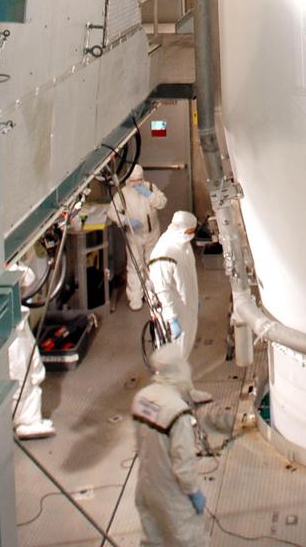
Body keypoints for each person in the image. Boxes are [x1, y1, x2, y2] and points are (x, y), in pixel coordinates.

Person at [132, 343, 207, 546]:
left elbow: (139, 444)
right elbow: (183, 464)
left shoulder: (142, 398)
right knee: (189, 539)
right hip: (171, 494)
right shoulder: (177, 411)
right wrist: (193, 492)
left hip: (146, 486)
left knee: (153, 540)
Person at [148, 211, 211, 404]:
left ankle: (187, 393)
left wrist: (193, 300)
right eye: (190, 231)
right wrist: (171, 317)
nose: (192, 235)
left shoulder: (181, 244)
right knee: (172, 361)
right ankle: (172, 404)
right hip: (172, 316)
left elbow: (187, 277)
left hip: (186, 309)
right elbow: (161, 289)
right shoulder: (164, 253)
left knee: (181, 359)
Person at [107, 165, 167, 311]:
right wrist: (126, 220)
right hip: (134, 235)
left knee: (153, 264)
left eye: (139, 180)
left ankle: (153, 296)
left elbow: (162, 202)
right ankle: (135, 298)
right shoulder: (123, 194)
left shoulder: (150, 188)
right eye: (134, 181)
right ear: (128, 180)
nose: (137, 184)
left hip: (152, 233)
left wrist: (149, 195)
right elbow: (112, 212)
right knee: (135, 266)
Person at [8, 264, 55, 440]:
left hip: (17, 321)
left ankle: (33, 417)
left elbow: (28, 277)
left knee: (33, 366)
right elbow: (27, 276)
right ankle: (26, 422)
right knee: (22, 375)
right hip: (10, 328)